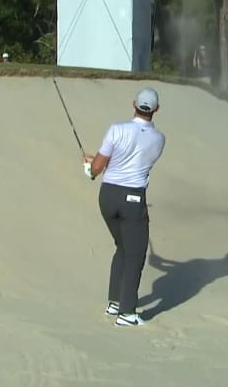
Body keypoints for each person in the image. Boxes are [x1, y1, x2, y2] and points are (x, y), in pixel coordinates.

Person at [83, 87, 166, 327]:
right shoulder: (160, 139)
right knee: (135, 254)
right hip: (132, 200)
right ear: (156, 110)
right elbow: (136, 161)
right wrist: (99, 165)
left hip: (107, 197)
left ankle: (115, 302)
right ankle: (127, 313)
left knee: (122, 246)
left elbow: (99, 167)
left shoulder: (116, 130)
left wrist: (91, 167)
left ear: (134, 105)